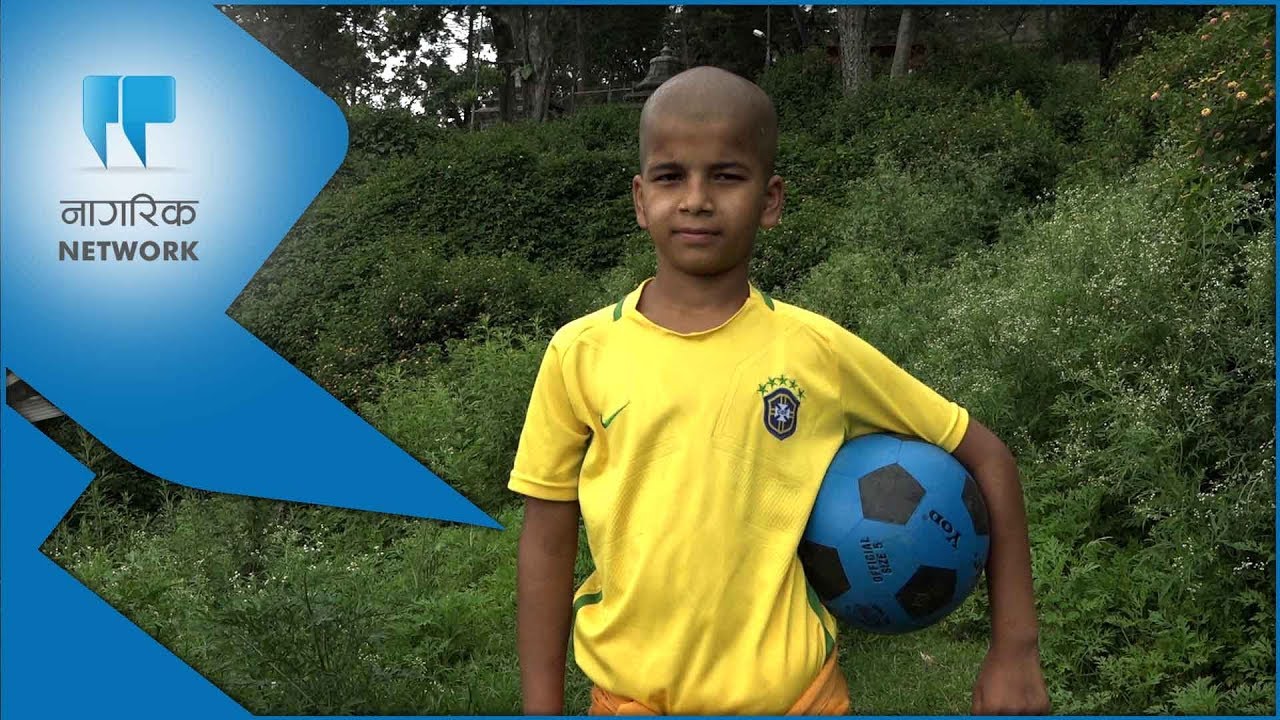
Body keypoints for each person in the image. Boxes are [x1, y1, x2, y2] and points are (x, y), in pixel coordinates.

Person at [508, 66, 1050, 716]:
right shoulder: (580, 353)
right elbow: (546, 538)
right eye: (671, 176)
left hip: (798, 701)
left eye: (727, 176)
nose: (697, 199)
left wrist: (1014, 647)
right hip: (631, 701)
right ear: (639, 198)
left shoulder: (814, 351)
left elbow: (987, 455)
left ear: (770, 200)